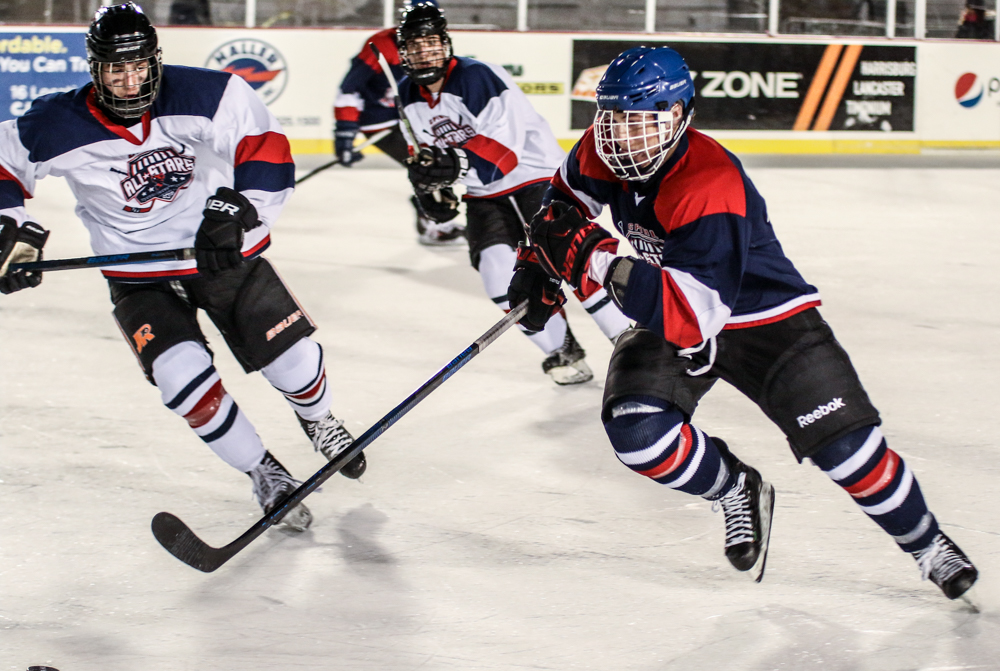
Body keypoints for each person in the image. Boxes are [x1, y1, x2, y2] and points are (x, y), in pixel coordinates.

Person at [509, 45, 978, 599]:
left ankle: (927, 544)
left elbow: (691, 318)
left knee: (848, 452)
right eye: (612, 118)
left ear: (679, 116)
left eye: (640, 120)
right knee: (638, 434)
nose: (621, 135)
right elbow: (558, 209)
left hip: (762, 320)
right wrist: (533, 266)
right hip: (667, 300)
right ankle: (735, 487)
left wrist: (588, 257)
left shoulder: (708, 182)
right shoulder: (600, 149)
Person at [0, 2, 366, 531]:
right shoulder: (58, 122)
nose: (129, 81)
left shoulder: (207, 94)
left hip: (217, 253)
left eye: (139, 66)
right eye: (115, 69)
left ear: (155, 60)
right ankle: (262, 471)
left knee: (294, 359)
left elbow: (264, 146)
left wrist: (241, 212)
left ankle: (320, 421)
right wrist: (9, 233)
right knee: (180, 380)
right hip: (135, 276)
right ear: (95, 69)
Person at [395, 2, 631, 385]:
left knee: (570, 259)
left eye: (431, 43)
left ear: (446, 43)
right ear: (404, 53)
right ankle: (560, 347)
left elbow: (503, 157)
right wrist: (428, 191)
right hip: (482, 193)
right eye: (415, 46)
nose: (425, 53)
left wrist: (451, 168)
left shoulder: (477, 78)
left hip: (536, 178)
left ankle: (628, 341)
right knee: (496, 275)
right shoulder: (406, 95)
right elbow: (424, 157)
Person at [332, 0, 466, 247]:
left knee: (440, 164)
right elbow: (349, 89)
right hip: (381, 121)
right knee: (429, 166)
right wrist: (345, 133)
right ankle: (435, 223)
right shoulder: (381, 45)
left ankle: (439, 219)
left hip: (415, 116)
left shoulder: (438, 46)